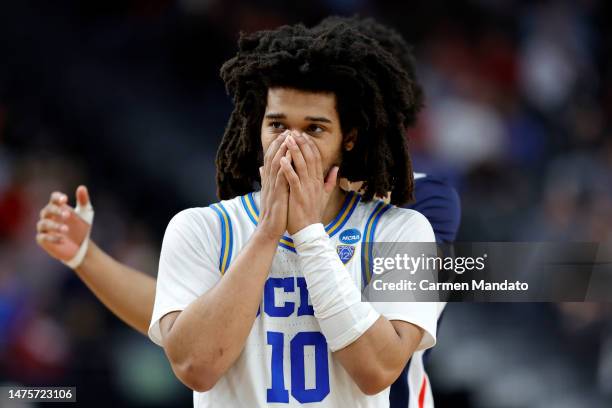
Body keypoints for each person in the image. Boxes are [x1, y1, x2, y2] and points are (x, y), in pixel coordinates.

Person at [36, 18, 459, 408]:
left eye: (314, 129)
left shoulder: (410, 218)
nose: (292, 145)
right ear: (257, 127)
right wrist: (269, 231)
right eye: (278, 125)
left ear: (352, 136)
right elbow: (192, 363)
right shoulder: (201, 227)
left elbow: (378, 371)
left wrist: (309, 233)